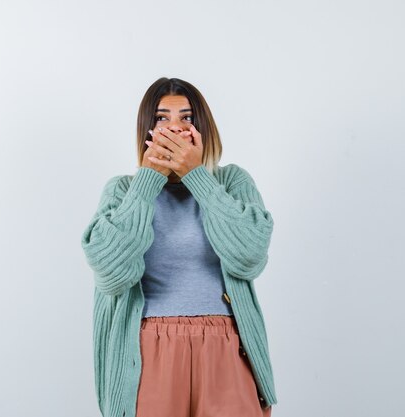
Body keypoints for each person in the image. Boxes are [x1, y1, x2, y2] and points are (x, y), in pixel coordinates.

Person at [80, 77, 276, 417]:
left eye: (186, 118)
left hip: (226, 347)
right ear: (147, 129)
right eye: (162, 118)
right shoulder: (123, 191)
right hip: (148, 350)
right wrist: (148, 180)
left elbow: (250, 255)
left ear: (202, 128)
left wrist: (197, 176)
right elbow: (109, 272)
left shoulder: (232, 182)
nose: (175, 128)